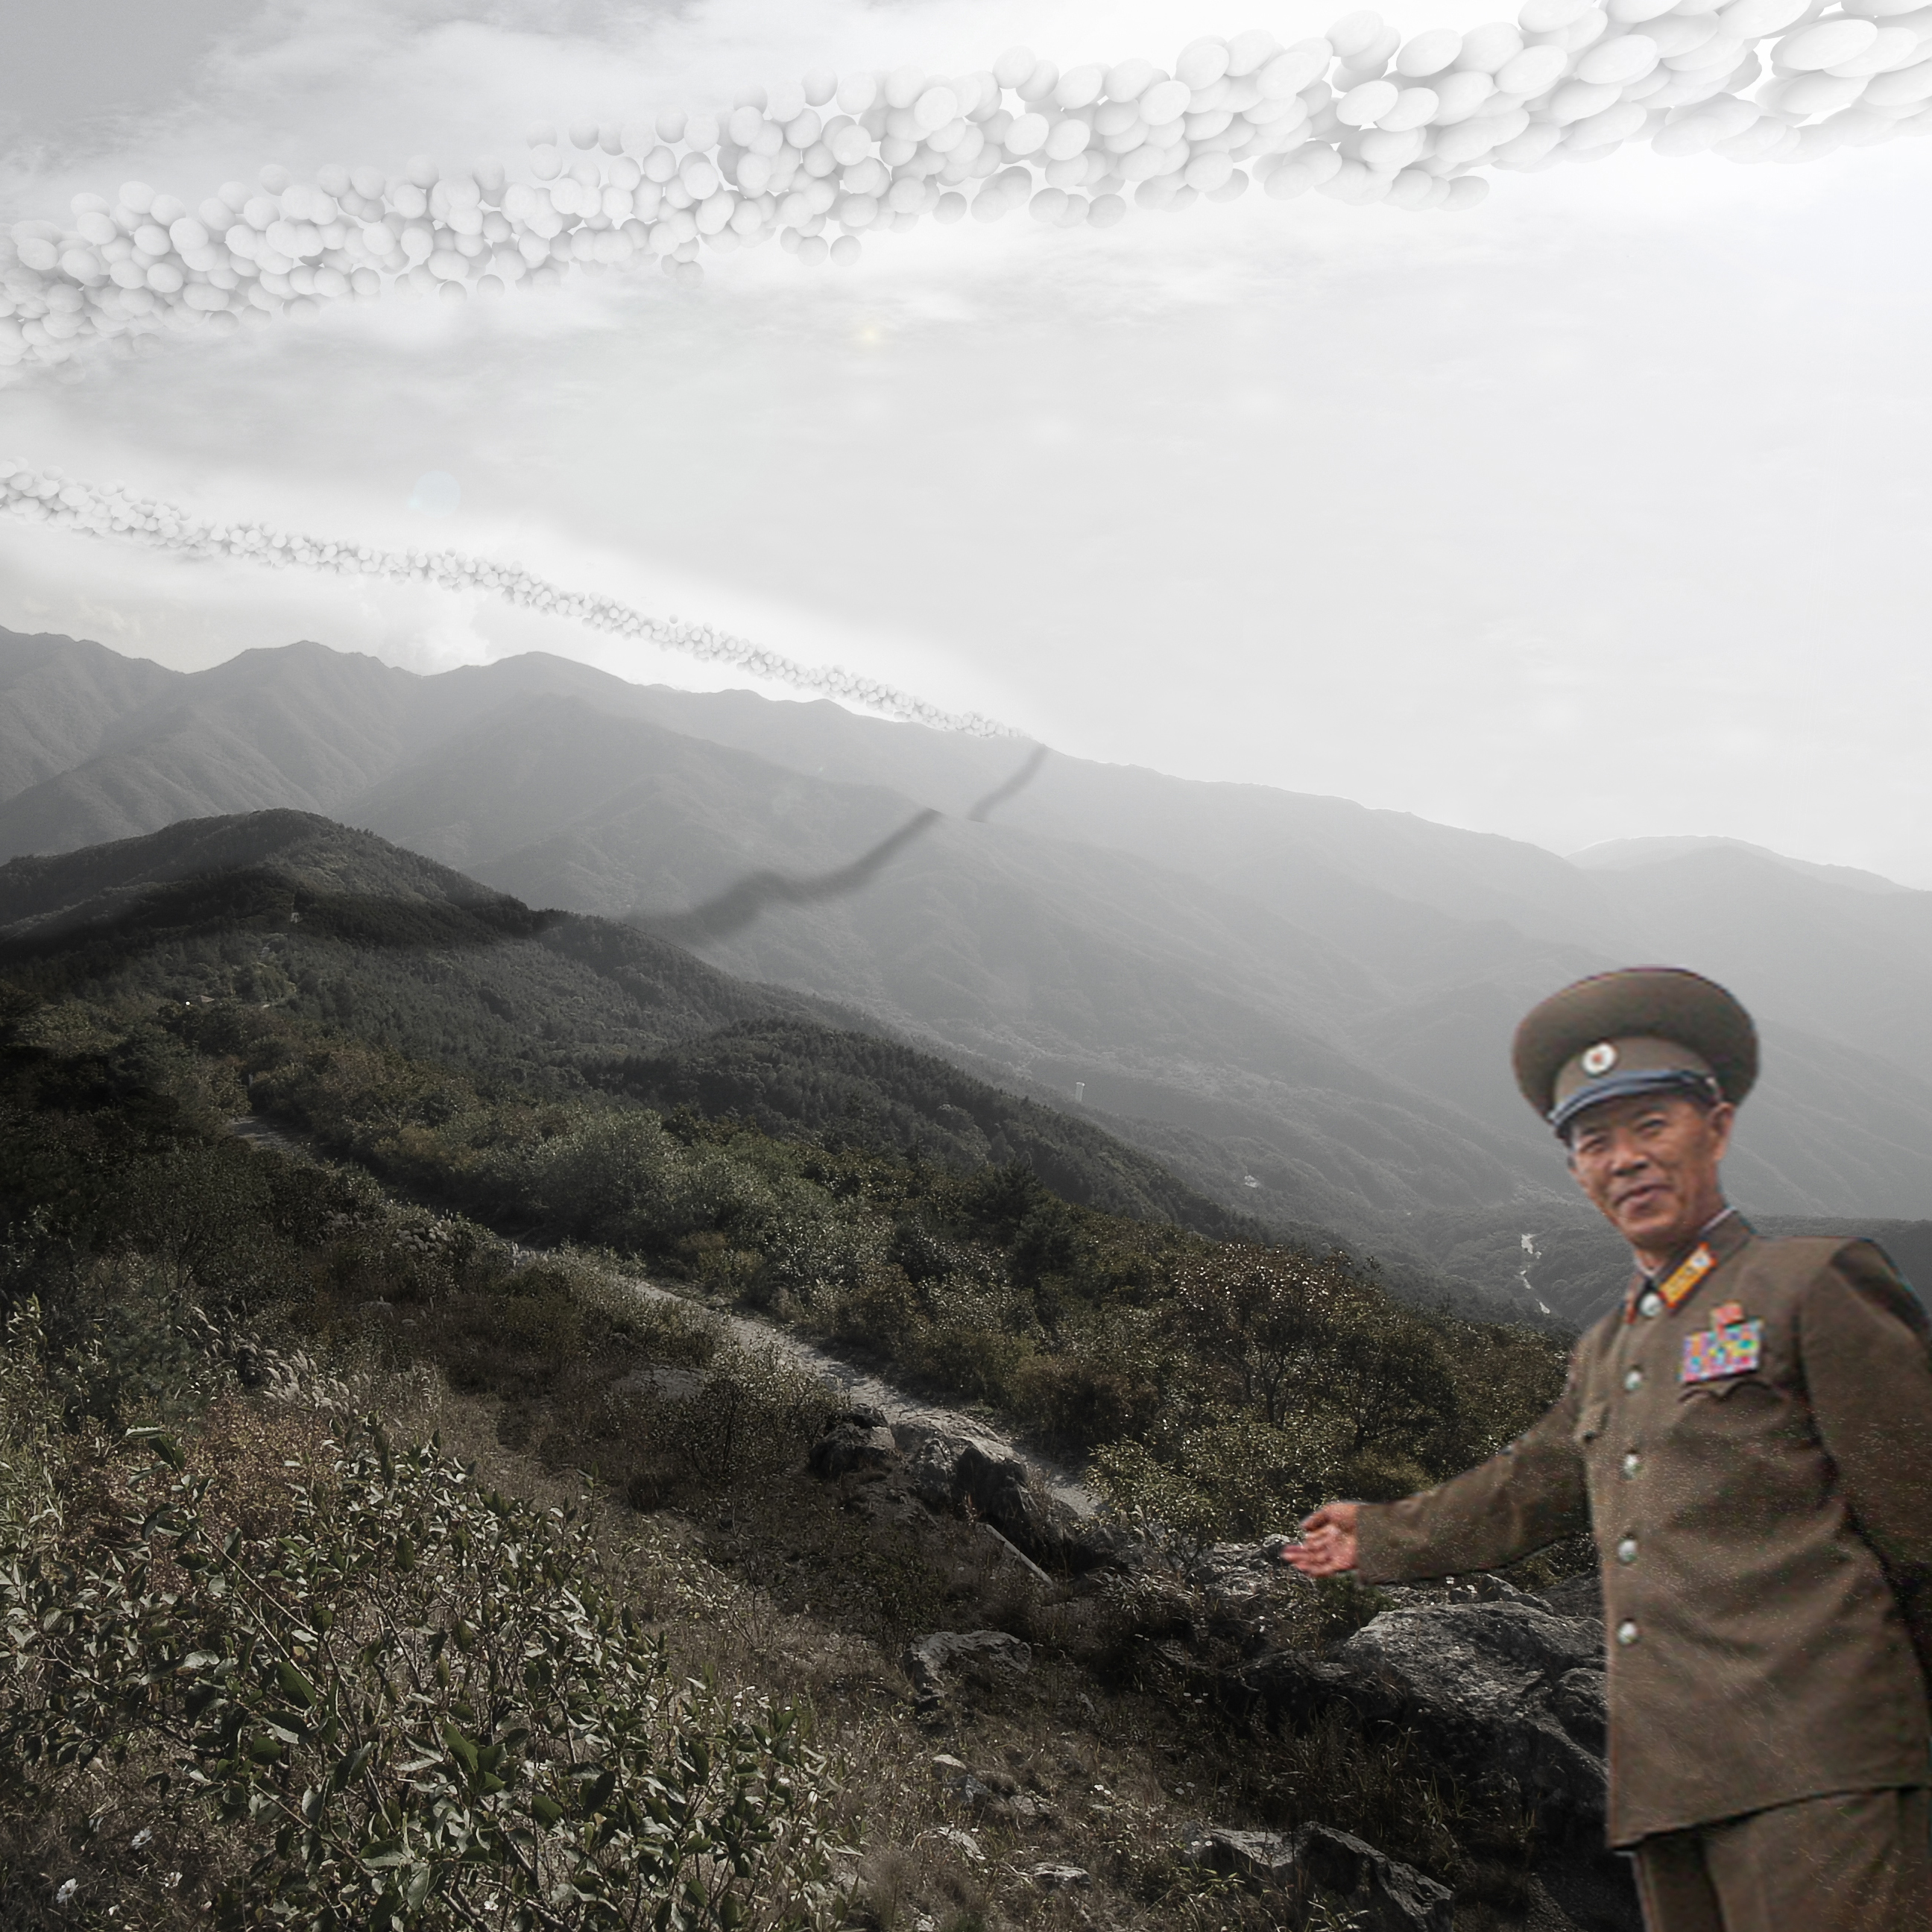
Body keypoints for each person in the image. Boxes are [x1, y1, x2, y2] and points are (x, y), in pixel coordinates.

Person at [1281, 966, 1932, 1932]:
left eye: (1651, 1126)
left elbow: (1920, 1526)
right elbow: (1528, 1488)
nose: (1624, 1159)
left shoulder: (1814, 1286)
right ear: (1576, 1170)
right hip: (1667, 1791)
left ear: (1716, 1126)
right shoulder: (1608, 1348)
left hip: (1824, 1772)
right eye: (1594, 1140)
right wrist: (1373, 1537)